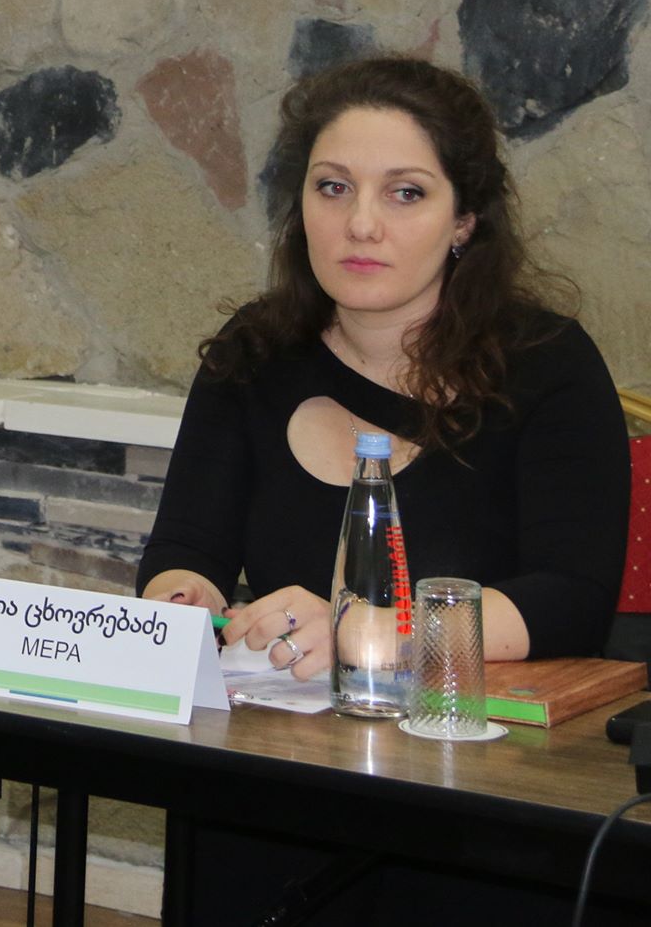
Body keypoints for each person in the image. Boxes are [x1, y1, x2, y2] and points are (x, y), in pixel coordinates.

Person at [136, 56, 631, 923]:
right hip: (283, 764)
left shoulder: (548, 364)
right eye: (332, 187)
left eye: (405, 193)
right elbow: (186, 550)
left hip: (486, 790)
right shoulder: (255, 353)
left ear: (464, 219)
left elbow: (572, 600)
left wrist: (371, 632)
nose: (360, 223)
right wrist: (187, 606)